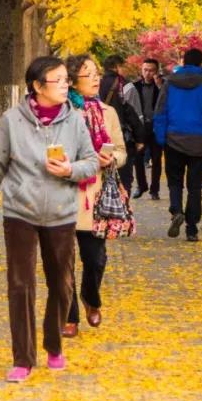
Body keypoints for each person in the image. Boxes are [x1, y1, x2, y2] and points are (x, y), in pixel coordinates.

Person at [0, 56, 98, 382]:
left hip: (61, 214)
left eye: (66, 80)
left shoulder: (75, 121)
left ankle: (54, 343)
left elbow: (91, 162)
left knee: (62, 283)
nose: (66, 85)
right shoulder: (12, 121)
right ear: (38, 86)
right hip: (20, 213)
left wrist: (71, 170)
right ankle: (23, 358)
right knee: (20, 285)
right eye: (58, 80)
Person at [64, 53, 128, 335]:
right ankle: (69, 317)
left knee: (95, 259)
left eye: (96, 73)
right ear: (73, 82)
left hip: (96, 196)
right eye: (88, 73)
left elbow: (122, 152)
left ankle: (91, 298)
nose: (95, 78)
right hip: (64, 194)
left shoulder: (108, 112)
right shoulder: (63, 113)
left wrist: (111, 158)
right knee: (62, 260)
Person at [153, 47, 202, 241]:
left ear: (183, 62)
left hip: (173, 139)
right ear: (200, 63)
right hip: (199, 142)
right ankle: (192, 228)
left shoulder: (169, 83)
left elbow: (160, 112)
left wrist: (160, 138)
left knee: (175, 182)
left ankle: (176, 210)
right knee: (195, 187)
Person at [100, 54, 144, 190]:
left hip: (99, 136)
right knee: (124, 180)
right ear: (118, 67)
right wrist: (140, 138)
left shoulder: (94, 84)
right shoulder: (125, 86)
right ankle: (123, 206)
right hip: (122, 138)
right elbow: (135, 114)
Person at [126, 57, 163, 198]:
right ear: (141, 70)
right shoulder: (134, 86)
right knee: (138, 158)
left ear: (157, 71)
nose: (148, 73)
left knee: (157, 159)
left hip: (156, 127)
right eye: (145, 70)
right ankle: (141, 186)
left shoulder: (162, 86)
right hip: (139, 127)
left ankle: (155, 189)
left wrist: (160, 87)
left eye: (151, 70)